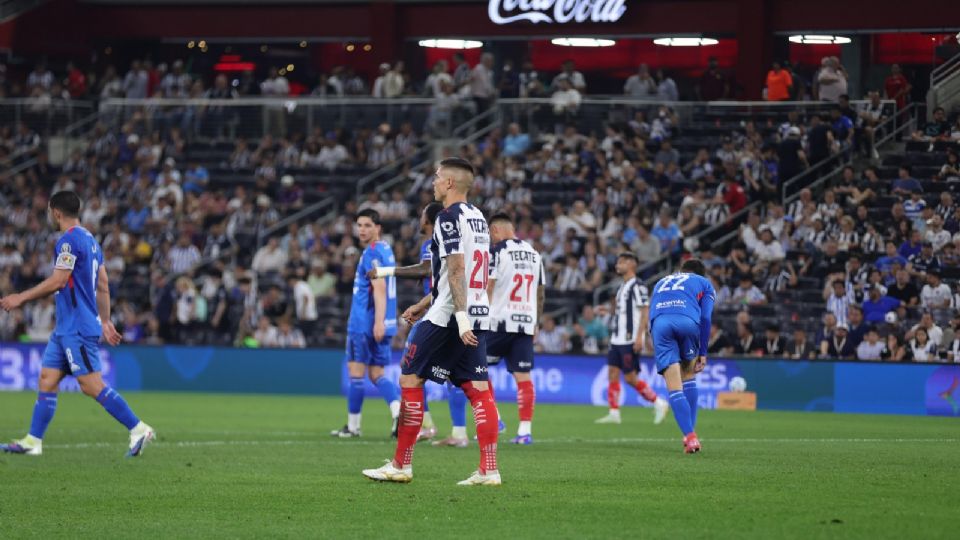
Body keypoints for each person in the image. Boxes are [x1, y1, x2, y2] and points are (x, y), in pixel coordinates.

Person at [362, 157, 500, 486]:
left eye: (438, 178)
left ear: (450, 183)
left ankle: (401, 465)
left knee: (410, 380)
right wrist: (426, 304)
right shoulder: (478, 217)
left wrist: (459, 318)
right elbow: (462, 273)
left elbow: (455, 268)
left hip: (452, 316)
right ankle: (489, 470)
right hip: (476, 311)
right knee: (479, 390)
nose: (434, 183)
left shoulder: (448, 218)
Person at [0, 191, 155, 457]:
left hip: (77, 327)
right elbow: (103, 284)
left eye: (50, 212)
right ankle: (32, 441)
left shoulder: (68, 241)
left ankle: (138, 428)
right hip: (66, 328)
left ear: (56, 212)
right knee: (47, 379)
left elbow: (59, 281)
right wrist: (105, 320)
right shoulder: (92, 241)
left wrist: (20, 297)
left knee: (90, 385)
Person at [369, 203, 470, 446]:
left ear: (429, 219)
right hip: (443, 309)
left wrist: (385, 272)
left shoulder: (432, 242)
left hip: (437, 315)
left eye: (422, 213)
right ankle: (457, 432)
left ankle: (426, 427)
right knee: (455, 374)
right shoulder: (454, 241)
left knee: (411, 368)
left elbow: (425, 271)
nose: (419, 217)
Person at [331, 209, 401, 439]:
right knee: (377, 373)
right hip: (385, 321)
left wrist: (377, 322)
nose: (362, 229)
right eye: (359, 225)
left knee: (356, 372)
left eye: (368, 225)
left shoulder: (372, 253)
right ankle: (398, 411)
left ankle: (353, 427)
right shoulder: (386, 250)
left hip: (364, 323)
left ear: (378, 228)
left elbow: (379, 288)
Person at [485, 214, 545, 445]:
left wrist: (480, 317)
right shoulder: (534, 253)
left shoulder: (497, 252)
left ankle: (496, 420)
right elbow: (540, 292)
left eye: (491, 234)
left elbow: (489, 286)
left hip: (497, 321)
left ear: (497, 230)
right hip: (525, 322)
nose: (491, 239)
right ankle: (524, 432)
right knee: (523, 377)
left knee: (477, 370)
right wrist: (536, 321)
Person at [648, 258, 716, 454]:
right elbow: (705, 318)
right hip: (687, 322)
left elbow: (652, 315)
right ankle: (690, 434)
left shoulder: (661, 282)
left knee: (674, 388)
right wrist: (703, 352)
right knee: (688, 376)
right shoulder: (704, 283)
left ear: (681, 270)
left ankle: (690, 437)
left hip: (660, 325)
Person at [595, 252, 669, 425]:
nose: (617, 265)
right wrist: (608, 312)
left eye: (621, 262)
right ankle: (614, 413)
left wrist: (639, 337)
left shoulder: (638, 286)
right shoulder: (623, 287)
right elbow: (623, 312)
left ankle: (659, 402)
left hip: (629, 339)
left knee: (630, 378)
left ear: (631, 264)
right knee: (612, 374)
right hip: (616, 338)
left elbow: (644, 311)